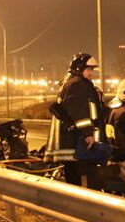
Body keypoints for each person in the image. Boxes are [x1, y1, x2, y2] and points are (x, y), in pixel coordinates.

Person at [44, 53, 107, 189]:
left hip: (74, 140)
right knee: (79, 177)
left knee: (76, 176)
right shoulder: (77, 84)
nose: (91, 73)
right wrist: (88, 133)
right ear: (79, 68)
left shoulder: (74, 82)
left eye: (92, 70)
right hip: (75, 141)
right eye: (88, 69)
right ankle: (82, 205)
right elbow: (78, 111)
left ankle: (79, 204)